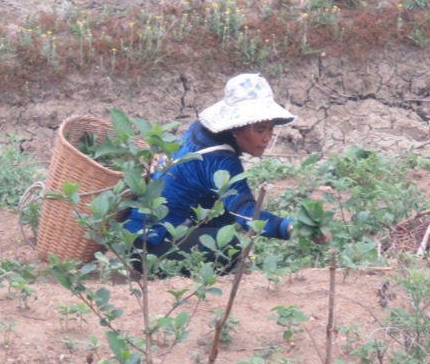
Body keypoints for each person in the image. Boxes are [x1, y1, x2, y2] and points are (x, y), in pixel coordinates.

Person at [124, 73, 330, 277]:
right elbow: (245, 212)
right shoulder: (220, 160)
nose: (267, 138)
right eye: (260, 130)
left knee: (222, 215)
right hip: (150, 247)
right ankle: (159, 270)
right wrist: (291, 227)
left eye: (270, 129)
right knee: (225, 246)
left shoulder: (200, 131)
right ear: (235, 128)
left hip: (136, 234)